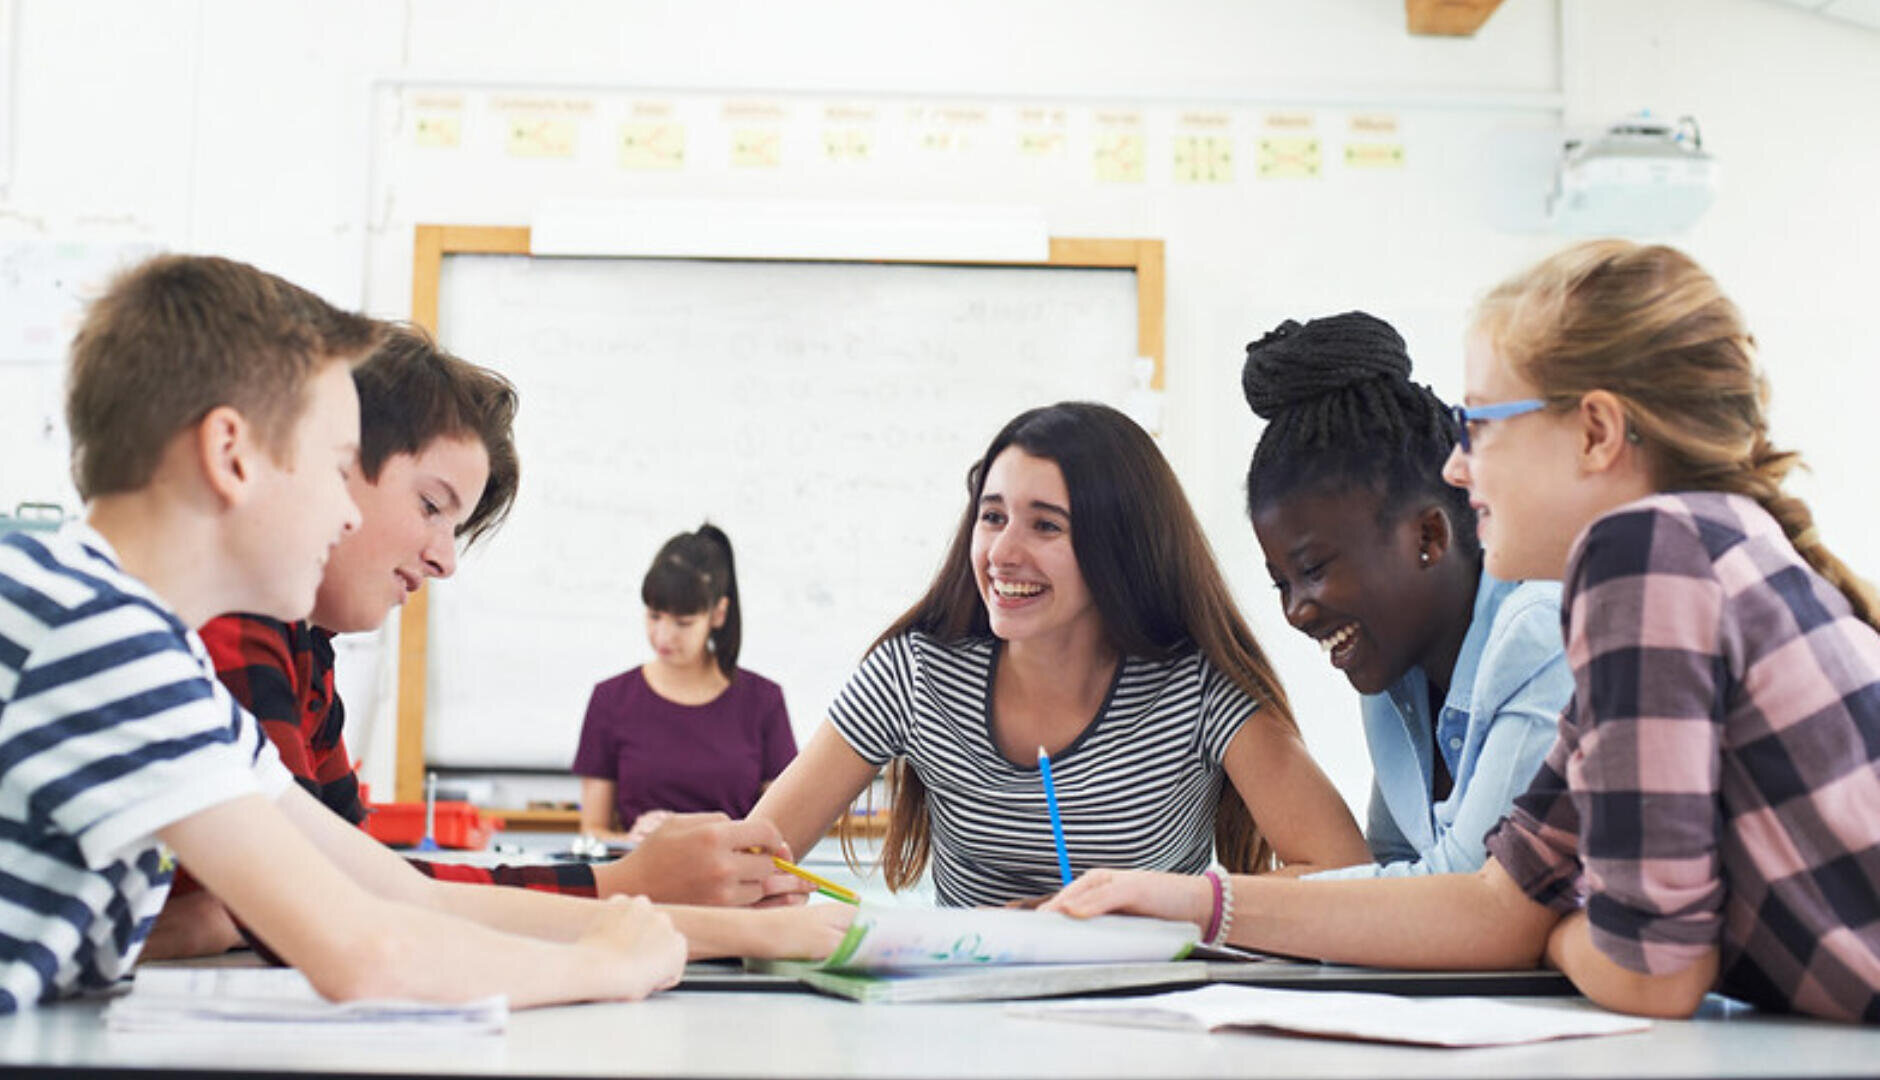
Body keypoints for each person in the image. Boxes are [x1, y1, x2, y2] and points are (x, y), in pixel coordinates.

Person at [1045, 241, 1880, 1023]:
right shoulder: (1691, 556)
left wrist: (1555, 936)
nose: (1455, 467)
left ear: (1595, 432)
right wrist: (1195, 901)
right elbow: (1496, 899)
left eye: (1479, 425)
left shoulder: (1644, 556)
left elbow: (1651, 971)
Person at [0, 255, 687, 1013]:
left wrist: (632, 928)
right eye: (335, 467)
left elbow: (400, 897)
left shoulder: (142, 641)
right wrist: (608, 967)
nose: (345, 512)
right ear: (231, 454)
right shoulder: (91, 629)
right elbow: (366, 957)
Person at [143, 325, 830, 964]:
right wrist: (648, 900)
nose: (445, 560)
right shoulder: (230, 617)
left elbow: (372, 884)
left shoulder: (302, 647)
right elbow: (343, 904)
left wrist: (635, 890)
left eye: (456, 526)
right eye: (430, 506)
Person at [750, 401, 1368, 907]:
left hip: (1147, 1029)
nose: (1002, 553)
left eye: (1046, 526)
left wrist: (1153, 905)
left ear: (1120, 546)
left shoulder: (1197, 687)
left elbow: (1344, 876)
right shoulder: (914, 674)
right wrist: (760, 889)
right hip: (967, 1026)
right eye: (992, 518)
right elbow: (753, 860)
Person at [1242, 311, 1570, 877]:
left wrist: (1214, 904)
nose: (1296, 610)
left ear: (1429, 536)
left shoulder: (1543, 631)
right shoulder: (1391, 680)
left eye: (1313, 568)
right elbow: (1394, 864)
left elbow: (1464, 891)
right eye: (1281, 582)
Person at [574, 525, 797, 844]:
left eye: (683, 623)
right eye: (654, 616)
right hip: (640, 886)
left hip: (737, 885)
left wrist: (715, 837)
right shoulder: (610, 699)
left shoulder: (763, 701)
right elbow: (592, 831)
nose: (664, 636)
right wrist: (633, 841)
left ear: (718, 614)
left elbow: (783, 832)